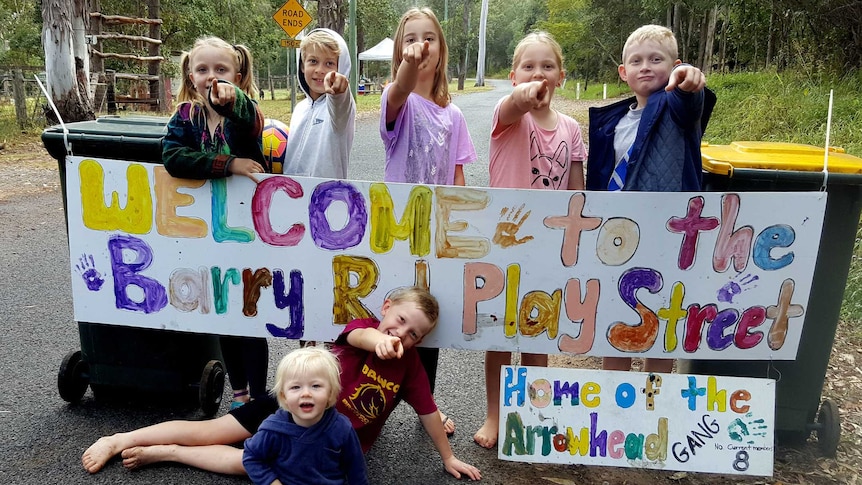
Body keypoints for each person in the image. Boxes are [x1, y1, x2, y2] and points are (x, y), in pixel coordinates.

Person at [82, 287, 482, 481]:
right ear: (386, 309)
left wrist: (447, 457)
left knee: (244, 464)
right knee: (210, 431)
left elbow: (428, 412)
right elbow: (362, 337)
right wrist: (381, 339)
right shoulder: (364, 331)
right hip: (286, 407)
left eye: (414, 334)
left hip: (329, 441)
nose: (402, 336)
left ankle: (166, 452)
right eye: (399, 322)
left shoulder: (409, 367)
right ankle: (121, 438)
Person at [472, 31, 586, 449]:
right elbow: (513, 103)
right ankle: (495, 414)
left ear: (561, 75)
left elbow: (577, 190)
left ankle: (537, 412)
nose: (539, 74)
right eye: (529, 66)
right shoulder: (509, 118)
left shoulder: (572, 129)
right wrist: (524, 96)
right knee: (500, 334)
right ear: (513, 75)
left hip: (550, 246)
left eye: (547, 66)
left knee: (540, 332)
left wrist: (572, 244)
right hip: (506, 243)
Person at [584, 24, 714, 373]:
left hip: (667, 233)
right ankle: (614, 393)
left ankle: (656, 398)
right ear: (623, 73)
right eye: (637, 60)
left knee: (663, 312)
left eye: (657, 59)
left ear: (674, 66)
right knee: (617, 313)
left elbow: (691, 101)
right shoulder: (612, 121)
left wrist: (689, 82)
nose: (646, 66)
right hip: (619, 232)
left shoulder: (677, 108)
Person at [380, 7, 478, 436]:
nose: (421, 45)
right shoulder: (395, 99)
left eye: (429, 38)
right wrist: (407, 66)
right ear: (400, 50)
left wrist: (460, 230)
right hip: (397, 229)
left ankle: (428, 407)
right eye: (410, 38)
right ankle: (374, 398)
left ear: (441, 50)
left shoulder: (453, 116)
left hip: (438, 233)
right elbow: (401, 87)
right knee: (390, 315)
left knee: (426, 319)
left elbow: (458, 177)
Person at [161, 35, 270, 409]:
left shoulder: (243, 114)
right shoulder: (185, 118)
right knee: (224, 314)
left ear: (237, 77)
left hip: (247, 231)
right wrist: (229, 165)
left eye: (221, 70)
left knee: (249, 313)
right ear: (191, 77)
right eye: (203, 70)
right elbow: (173, 157)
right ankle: (238, 394)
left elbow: (251, 120)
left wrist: (233, 99)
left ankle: (257, 396)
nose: (212, 77)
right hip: (208, 233)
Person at [283, 28, 356, 349]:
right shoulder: (299, 109)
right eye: (313, 61)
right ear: (301, 65)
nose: (321, 70)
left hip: (329, 216)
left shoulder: (340, 107)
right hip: (294, 212)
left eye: (330, 63)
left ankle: (330, 361)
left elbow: (339, 105)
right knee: (298, 286)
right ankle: (306, 356)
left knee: (325, 289)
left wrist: (340, 90)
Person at [242, 347, 367, 485]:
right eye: (296, 387)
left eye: (315, 386)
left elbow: (356, 470)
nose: (305, 393)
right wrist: (271, 482)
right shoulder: (273, 429)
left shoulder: (342, 428)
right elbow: (251, 456)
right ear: (284, 396)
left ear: (330, 393)